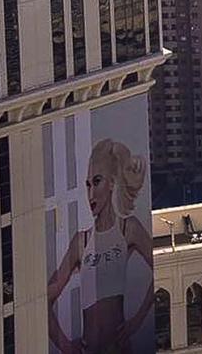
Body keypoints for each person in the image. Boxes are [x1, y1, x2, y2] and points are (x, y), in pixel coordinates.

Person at [48, 139, 154, 354]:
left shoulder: (128, 229)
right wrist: (66, 346)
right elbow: (46, 296)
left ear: (112, 183)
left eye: (97, 182)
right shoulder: (82, 241)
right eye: (88, 184)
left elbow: (157, 265)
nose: (91, 194)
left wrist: (136, 321)